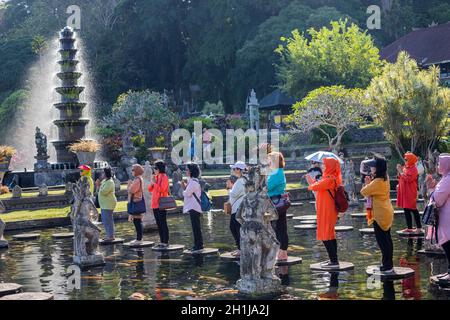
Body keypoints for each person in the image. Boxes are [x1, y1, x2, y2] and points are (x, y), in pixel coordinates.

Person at [360, 157, 394, 272]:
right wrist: (370, 183)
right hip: (386, 211)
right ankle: (388, 263)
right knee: (387, 239)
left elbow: (363, 192)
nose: (371, 168)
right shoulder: (385, 178)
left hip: (379, 214)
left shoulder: (377, 182)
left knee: (382, 241)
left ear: (378, 168)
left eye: (373, 166)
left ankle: (387, 266)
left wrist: (367, 183)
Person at [306, 157, 342, 267]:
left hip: (327, 210)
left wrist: (310, 182)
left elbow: (313, 187)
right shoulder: (330, 178)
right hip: (327, 209)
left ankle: (334, 260)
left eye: (325, 165)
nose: (323, 166)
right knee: (330, 235)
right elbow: (317, 186)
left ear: (330, 167)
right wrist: (312, 183)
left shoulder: (329, 179)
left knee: (326, 235)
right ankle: (333, 259)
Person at [267, 152, 289, 261]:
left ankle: (283, 253)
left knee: (280, 228)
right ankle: (281, 252)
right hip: (274, 202)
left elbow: (268, 187)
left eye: (270, 160)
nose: (268, 162)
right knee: (277, 227)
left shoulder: (277, 173)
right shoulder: (275, 172)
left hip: (276, 202)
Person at [433, 154, 450, 282]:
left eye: (439, 163)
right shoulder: (446, 178)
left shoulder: (448, 179)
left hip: (447, 217)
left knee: (447, 242)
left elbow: (438, 198)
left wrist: (432, 196)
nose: (438, 166)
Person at [397, 152, 422, 233]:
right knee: (406, 209)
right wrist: (399, 171)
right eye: (405, 159)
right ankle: (409, 227)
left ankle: (419, 227)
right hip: (404, 191)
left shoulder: (414, 168)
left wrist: (401, 172)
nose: (405, 160)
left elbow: (409, 179)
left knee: (413, 208)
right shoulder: (406, 167)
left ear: (411, 159)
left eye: (406, 159)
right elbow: (401, 176)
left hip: (410, 191)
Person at [181, 163, 204, 252]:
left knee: (196, 228)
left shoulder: (193, 182)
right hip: (194, 207)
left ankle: (198, 245)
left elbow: (187, 193)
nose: (185, 171)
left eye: (187, 170)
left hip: (194, 207)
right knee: (196, 227)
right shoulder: (193, 181)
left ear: (190, 171)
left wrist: (183, 188)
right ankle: (198, 244)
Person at [148, 160, 170, 249]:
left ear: (160, 168)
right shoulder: (156, 177)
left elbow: (162, 189)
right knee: (158, 224)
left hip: (161, 203)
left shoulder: (164, 177)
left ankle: (165, 241)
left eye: (156, 168)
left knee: (163, 223)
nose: (154, 169)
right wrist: (152, 182)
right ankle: (161, 241)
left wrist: (155, 183)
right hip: (155, 203)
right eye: (154, 168)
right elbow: (150, 189)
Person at [228, 161, 247, 257]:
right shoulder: (242, 180)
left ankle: (241, 249)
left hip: (237, 208)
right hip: (238, 208)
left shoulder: (240, 181)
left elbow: (233, 194)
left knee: (235, 228)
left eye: (235, 169)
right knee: (235, 228)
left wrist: (230, 188)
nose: (233, 170)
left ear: (239, 170)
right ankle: (240, 248)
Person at [95, 167, 117, 242]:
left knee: (108, 220)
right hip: (104, 204)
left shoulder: (110, 182)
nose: (102, 174)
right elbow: (98, 191)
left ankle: (111, 236)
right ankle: (108, 235)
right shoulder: (105, 181)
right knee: (105, 220)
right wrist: (98, 186)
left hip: (108, 203)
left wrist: (98, 185)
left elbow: (104, 192)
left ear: (106, 173)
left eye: (103, 172)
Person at [127, 164, 145, 245]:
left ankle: (139, 239)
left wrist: (129, 184)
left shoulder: (138, 180)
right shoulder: (139, 179)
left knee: (137, 221)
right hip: (137, 200)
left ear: (137, 171)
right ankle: (139, 238)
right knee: (137, 220)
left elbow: (132, 190)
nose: (132, 171)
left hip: (136, 201)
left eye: (133, 170)